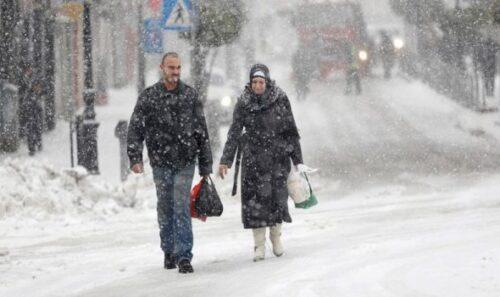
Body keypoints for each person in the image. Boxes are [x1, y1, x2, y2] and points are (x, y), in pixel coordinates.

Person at [127, 52, 212, 274]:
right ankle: (169, 250)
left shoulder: (190, 96)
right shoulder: (149, 97)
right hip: (160, 161)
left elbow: (202, 131)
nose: (175, 72)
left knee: (181, 206)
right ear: (162, 68)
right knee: (165, 206)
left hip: (185, 160)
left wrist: (205, 165)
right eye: (171, 68)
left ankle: (184, 255)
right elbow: (136, 127)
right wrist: (135, 157)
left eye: (178, 68)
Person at [218, 64, 304, 262]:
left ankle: (276, 238)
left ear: (267, 82)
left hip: (277, 158)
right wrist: (226, 161)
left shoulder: (280, 99)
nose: (258, 86)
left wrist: (298, 161)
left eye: (261, 82)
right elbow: (234, 131)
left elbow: (290, 130)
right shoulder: (244, 102)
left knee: (277, 200)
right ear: (250, 83)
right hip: (253, 159)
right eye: (254, 82)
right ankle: (258, 245)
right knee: (254, 203)